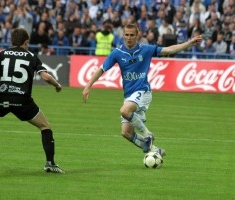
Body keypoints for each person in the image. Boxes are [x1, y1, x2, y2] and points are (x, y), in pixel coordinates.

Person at [82, 23, 203, 158]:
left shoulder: (145, 49)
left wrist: (189, 43)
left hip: (143, 91)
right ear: (123, 35)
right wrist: (88, 86)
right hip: (129, 95)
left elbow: (169, 50)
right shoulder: (117, 53)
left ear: (137, 35)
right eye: (126, 35)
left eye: (132, 35)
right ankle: (156, 151)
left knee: (124, 110)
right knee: (126, 133)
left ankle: (148, 134)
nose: (129, 38)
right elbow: (101, 69)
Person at [0, 28, 64, 174]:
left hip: (1, 98)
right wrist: (57, 85)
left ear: (11, 41)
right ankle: (50, 163)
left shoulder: (2, 54)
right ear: (26, 42)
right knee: (45, 127)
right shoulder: (31, 56)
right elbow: (46, 77)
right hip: (22, 102)